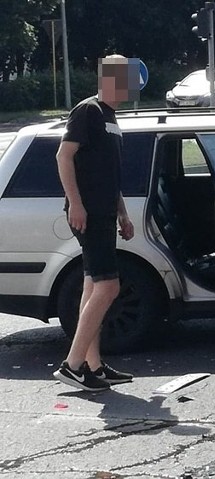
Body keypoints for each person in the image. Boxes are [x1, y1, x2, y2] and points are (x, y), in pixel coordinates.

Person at [53, 55, 140, 391]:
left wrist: (122, 212)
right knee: (108, 286)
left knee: (93, 286)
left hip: (105, 213)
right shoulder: (87, 110)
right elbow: (63, 156)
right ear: (108, 78)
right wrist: (76, 204)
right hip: (87, 213)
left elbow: (111, 173)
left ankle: (93, 366)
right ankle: (73, 365)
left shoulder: (111, 117)